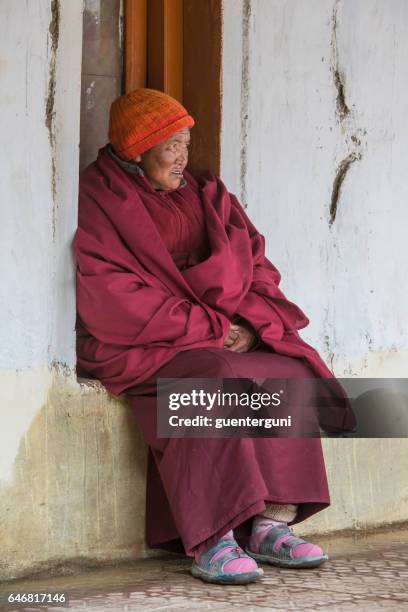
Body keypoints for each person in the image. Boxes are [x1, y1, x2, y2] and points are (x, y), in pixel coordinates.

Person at [75, 89, 356, 585]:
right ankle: (215, 536)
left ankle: (270, 521)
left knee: (285, 368)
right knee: (211, 377)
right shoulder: (100, 197)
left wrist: (249, 327)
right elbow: (112, 294)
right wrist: (207, 327)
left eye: (186, 142)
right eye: (169, 146)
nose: (183, 156)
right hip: (147, 342)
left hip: (221, 330)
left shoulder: (205, 192)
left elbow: (256, 265)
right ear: (133, 149)